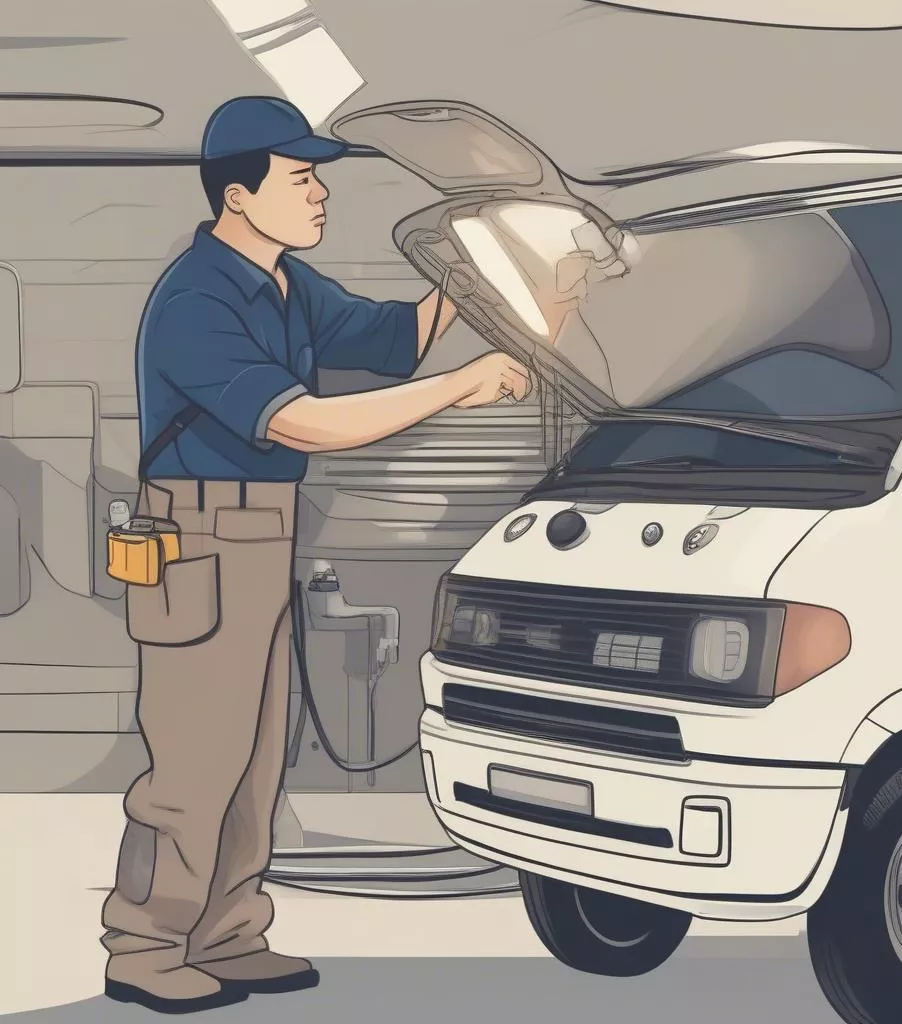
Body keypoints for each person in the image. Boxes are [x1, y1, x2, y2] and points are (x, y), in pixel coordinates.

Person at [100, 95, 532, 1015]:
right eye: (300, 178)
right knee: (194, 761)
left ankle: (228, 934)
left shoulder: (288, 284)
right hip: (199, 536)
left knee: (257, 755)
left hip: (262, 530)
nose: (320, 194)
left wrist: (484, 270)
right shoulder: (197, 298)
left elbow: (398, 338)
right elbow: (305, 423)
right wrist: (458, 389)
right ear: (238, 195)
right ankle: (145, 945)